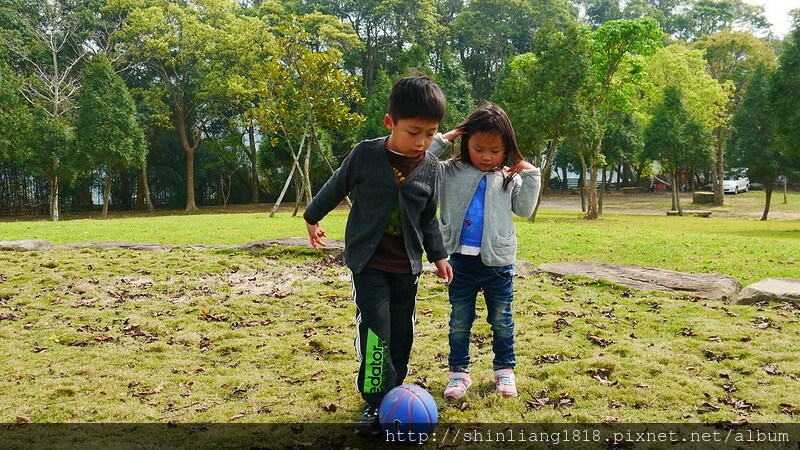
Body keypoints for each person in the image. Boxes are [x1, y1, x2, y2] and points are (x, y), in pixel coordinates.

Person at [303, 75, 454, 436]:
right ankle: (373, 400)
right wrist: (312, 217)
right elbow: (335, 185)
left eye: (431, 133)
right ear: (390, 122)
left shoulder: (431, 168)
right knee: (376, 331)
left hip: (407, 268)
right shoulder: (366, 155)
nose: (421, 142)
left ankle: (395, 393)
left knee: (402, 332)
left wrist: (439, 256)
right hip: (368, 264)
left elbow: (428, 218)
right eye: (413, 131)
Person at [429, 103, 540, 399]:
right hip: (459, 263)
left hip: (498, 264)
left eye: (495, 150)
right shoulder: (449, 172)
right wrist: (447, 136)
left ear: (507, 149)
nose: (487, 157)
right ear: (466, 142)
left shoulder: (509, 176)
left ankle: (504, 371)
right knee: (459, 321)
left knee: (502, 319)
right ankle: (458, 374)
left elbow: (525, 209)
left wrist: (531, 175)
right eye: (479, 149)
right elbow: (422, 159)